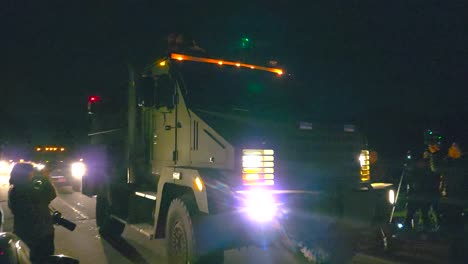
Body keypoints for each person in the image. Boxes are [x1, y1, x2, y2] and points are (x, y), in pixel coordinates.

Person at [8, 163, 57, 263]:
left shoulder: (16, 189)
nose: (32, 174)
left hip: (25, 233)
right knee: (42, 259)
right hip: (39, 234)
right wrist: (44, 178)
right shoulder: (23, 190)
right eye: (31, 172)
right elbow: (50, 194)